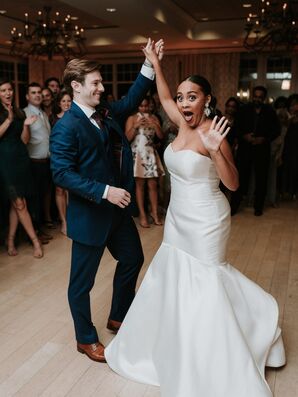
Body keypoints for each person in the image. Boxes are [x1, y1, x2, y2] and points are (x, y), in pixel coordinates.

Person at [105, 40, 286, 397]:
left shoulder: (213, 133)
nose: (184, 102)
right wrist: (155, 63)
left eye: (193, 96)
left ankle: (220, 349)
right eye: (183, 96)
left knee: (207, 278)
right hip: (178, 217)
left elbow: (232, 183)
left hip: (207, 217)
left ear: (207, 100)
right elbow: (165, 97)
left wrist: (218, 150)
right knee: (175, 273)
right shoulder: (179, 123)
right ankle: (177, 341)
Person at [50, 38, 164, 363]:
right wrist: (104, 191)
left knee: (132, 258)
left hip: (117, 212)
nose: (102, 87)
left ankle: (118, 316)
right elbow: (61, 173)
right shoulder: (65, 127)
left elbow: (131, 99)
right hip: (90, 216)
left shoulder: (104, 112)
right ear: (77, 86)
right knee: (81, 284)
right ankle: (85, 339)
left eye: (100, 82)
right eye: (96, 83)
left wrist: (149, 64)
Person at [0, 79, 43, 258]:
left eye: (10, 89)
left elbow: (25, 140)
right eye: (3, 90)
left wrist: (25, 125)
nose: (8, 93)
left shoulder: (18, 111)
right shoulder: (6, 114)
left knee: (17, 203)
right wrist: (9, 120)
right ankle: (35, 241)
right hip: (5, 160)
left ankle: (10, 240)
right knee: (20, 203)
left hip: (20, 158)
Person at [230, 86, 280, 216]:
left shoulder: (270, 111)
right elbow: (236, 128)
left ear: (264, 98)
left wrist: (264, 139)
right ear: (252, 96)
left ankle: (258, 208)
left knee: (261, 179)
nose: (257, 99)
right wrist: (244, 136)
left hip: (262, 150)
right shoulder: (243, 110)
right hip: (245, 149)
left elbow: (277, 130)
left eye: (260, 97)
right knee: (240, 178)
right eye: (255, 96)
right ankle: (234, 206)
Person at [125, 96, 164, 227]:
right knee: (140, 186)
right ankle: (142, 214)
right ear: (138, 106)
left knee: (153, 185)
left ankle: (154, 213)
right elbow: (127, 138)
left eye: (146, 106)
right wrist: (135, 126)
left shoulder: (154, 118)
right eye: (141, 106)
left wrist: (154, 124)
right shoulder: (132, 118)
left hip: (150, 153)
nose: (144, 108)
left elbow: (160, 137)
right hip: (137, 154)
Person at [49, 89, 72, 235]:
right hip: (58, 157)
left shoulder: (76, 117)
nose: (66, 103)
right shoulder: (52, 118)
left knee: (72, 189)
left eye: (69, 100)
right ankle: (64, 221)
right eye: (63, 101)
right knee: (59, 190)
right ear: (59, 103)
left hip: (73, 157)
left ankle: (72, 219)